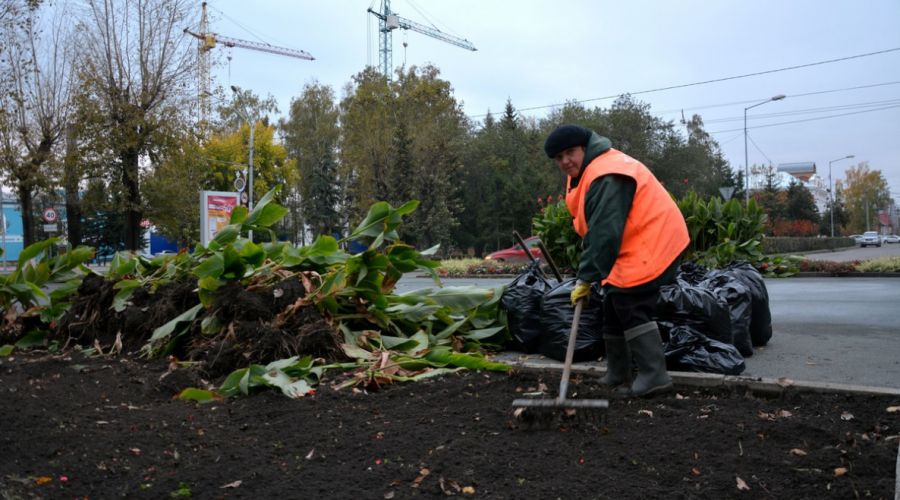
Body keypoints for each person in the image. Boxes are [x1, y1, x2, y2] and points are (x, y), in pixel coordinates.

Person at [543, 124, 689, 397]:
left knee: (629, 301)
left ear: (585, 148)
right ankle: (618, 371)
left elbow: (605, 234)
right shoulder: (587, 171)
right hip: (633, 242)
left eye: (570, 153)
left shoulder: (606, 174)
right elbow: (595, 227)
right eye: (559, 158)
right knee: (611, 299)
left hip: (653, 241)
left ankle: (654, 376)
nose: (565, 161)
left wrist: (586, 277)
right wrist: (591, 275)